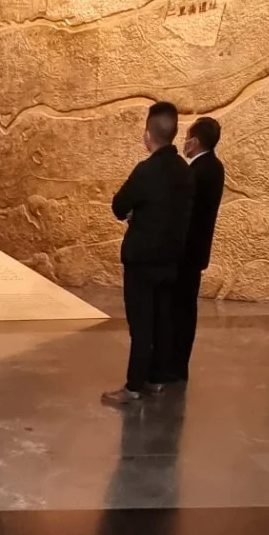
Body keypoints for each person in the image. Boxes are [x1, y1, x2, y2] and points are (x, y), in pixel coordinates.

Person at [102, 101, 192, 408]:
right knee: (163, 320)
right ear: (174, 132)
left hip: (142, 260)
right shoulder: (184, 171)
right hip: (170, 259)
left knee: (141, 325)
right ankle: (156, 379)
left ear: (147, 134)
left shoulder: (146, 170)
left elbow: (119, 205)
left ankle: (133, 387)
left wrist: (135, 214)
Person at [170, 116, 225, 383]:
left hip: (185, 252)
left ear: (194, 141)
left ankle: (174, 366)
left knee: (179, 310)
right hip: (197, 251)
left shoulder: (196, 172)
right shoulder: (215, 167)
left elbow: (182, 212)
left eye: (186, 138)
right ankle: (178, 365)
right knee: (186, 309)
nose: (184, 143)